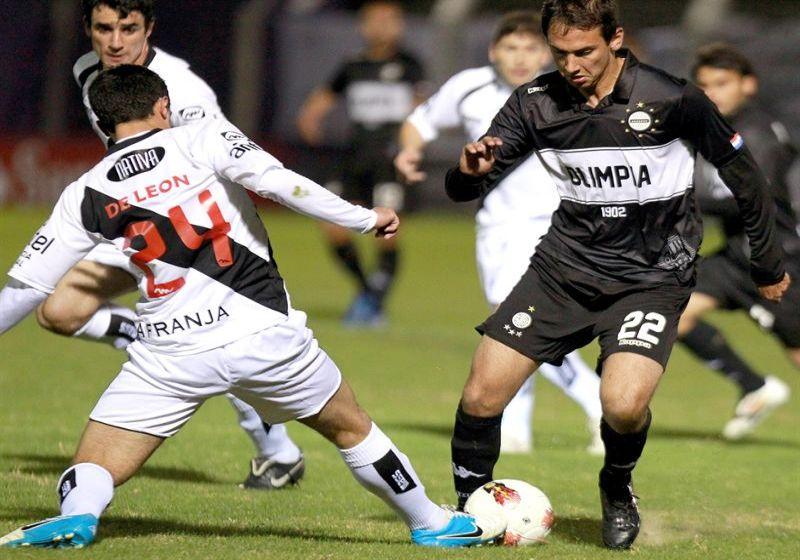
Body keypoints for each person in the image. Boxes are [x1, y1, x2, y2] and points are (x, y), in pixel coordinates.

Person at [0, 65, 502, 549]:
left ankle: (77, 517)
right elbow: (280, 182)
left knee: (95, 462)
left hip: (170, 352)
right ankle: (432, 523)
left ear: (101, 122)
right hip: (261, 334)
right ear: (163, 106)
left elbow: (27, 287)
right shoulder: (201, 137)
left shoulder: (84, 192)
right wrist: (364, 218)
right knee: (350, 426)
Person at [443, 0, 789, 549]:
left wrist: (766, 262)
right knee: (482, 396)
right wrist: (467, 172)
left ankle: (617, 485)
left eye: (585, 51)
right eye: (561, 53)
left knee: (623, 405)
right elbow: (469, 183)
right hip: (563, 272)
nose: (572, 64)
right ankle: (469, 506)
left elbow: (744, 176)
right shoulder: (534, 103)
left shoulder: (672, 97)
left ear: (616, 40)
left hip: (652, 279)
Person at [38, 0, 305, 489]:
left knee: (219, 339)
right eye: (104, 28)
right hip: (139, 221)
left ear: (149, 29)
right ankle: (160, 345)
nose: (115, 41)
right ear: (88, 30)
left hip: (196, 232)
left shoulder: (184, 90)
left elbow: (223, 159)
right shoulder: (87, 72)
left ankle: (278, 451)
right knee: (59, 311)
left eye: (128, 28)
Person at [395, 10, 603, 456]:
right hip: (498, 228)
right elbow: (420, 122)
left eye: (531, 48)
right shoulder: (469, 87)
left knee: (517, 326)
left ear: (546, 53)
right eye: (511, 48)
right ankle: (519, 428)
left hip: (557, 226)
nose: (520, 58)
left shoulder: (567, 92)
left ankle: (594, 400)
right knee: (515, 328)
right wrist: (409, 153)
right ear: (494, 52)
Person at [677, 43, 798, 440]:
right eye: (705, 84)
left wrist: (683, 199)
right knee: (670, 312)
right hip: (734, 259)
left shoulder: (760, 133)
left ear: (748, 85)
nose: (712, 92)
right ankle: (754, 386)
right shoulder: (709, 130)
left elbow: (748, 197)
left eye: (722, 83)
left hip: (779, 261)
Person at [296, 0, 427, 326]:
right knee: (332, 225)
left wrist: (413, 142)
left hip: (390, 160)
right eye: (375, 20)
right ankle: (367, 291)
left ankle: (372, 301)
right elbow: (318, 103)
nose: (382, 27)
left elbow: (424, 108)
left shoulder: (410, 65)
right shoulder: (352, 65)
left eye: (390, 20)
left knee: (387, 231)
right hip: (354, 156)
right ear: (363, 26)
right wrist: (311, 118)